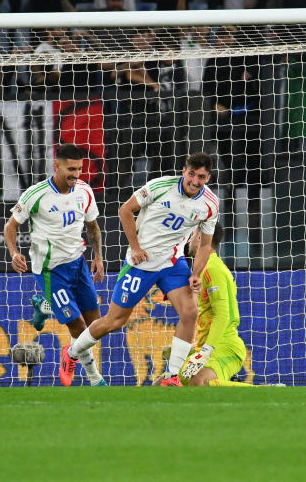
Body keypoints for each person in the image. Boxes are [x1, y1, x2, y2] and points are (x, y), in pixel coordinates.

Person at [60, 152, 219, 387]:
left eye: (201, 177)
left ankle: (171, 376)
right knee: (114, 322)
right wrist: (134, 248)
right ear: (184, 171)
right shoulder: (160, 186)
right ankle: (72, 353)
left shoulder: (210, 204)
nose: (195, 181)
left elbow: (205, 245)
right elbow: (125, 210)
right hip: (141, 263)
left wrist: (195, 274)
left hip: (172, 263)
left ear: (208, 178)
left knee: (190, 312)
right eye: (192, 174)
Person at [3, 144, 106, 386]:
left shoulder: (84, 191)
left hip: (78, 264)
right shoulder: (35, 194)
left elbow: (92, 227)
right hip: (50, 270)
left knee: (95, 326)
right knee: (79, 328)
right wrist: (14, 252)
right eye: (71, 169)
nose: (76, 174)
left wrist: (99, 256)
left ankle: (46, 308)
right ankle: (94, 379)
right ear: (56, 166)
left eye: (80, 169)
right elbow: (11, 227)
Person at [173, 223, 249, 386]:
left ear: (200, 237)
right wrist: (193, 349)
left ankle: (264, 391)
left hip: (224, 348)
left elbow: (223, 316)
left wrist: (206, 352)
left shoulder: (212, 268)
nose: (190, 240)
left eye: (192, 235)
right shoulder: (204, 268)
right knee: (167, 384)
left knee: (199, 382)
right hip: (206, 347)